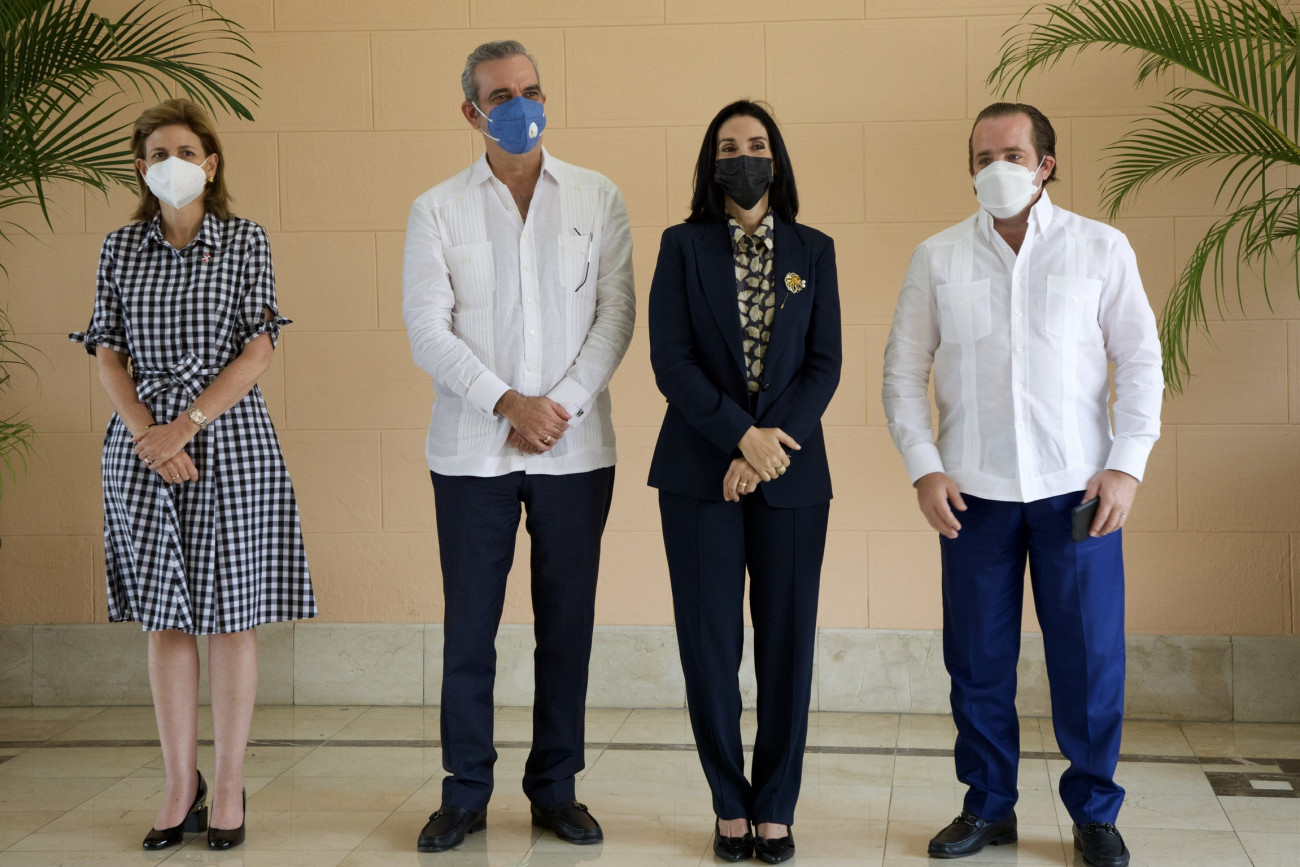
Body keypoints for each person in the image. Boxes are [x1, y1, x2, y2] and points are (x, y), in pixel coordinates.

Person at [882, 102, 1162, 867]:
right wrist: (924, 465)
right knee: (977, 662)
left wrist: (1127, 464)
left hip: (1079, 494)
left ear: (1046, 164)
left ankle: (1095, 814)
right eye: (982, 157)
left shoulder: (1100, 248)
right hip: (972, 496)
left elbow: (1141, 361)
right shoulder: (937, 256)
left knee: (1090, 660)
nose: (996, 169)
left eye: (1011, 154)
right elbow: (902, 371)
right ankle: (988, 805)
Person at [402, 40, 634, 853]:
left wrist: (555, 408)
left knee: (566, 623)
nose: (520, 105)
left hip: (575, 449)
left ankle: (555, 787)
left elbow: (616, 315)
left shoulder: (597, 196)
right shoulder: (437, 208)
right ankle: (465, 791)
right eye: (501, 95)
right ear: (471, 111)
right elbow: (427, 329)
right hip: (473, 452)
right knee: (470, 627)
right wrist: (506, 402)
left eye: (531, 89)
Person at [69, 98, 315, 852]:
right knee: (166, 617)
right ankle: (181, 783)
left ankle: (230, 783)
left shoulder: (244, 240)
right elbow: (108, 352)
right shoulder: (120, 247)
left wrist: (188, 424)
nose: (170, 163)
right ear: (139, 167)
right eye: (155, 153)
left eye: (184, 150)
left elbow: (258, 349)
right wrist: (151, 434)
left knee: (232, 617)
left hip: (229, 437)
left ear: (210, 163)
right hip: (142, 445)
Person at [647, 100, 841, 865]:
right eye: (729, 148)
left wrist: (765, 449)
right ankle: (730, 802)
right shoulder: (682, 246)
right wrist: (739, 436)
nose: (744, 158)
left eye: (756, 144)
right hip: (699, 473)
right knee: (710, 645)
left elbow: (824, 363)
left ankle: (776, 807)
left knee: (787, 644)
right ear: (711, 163)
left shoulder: (814, 249)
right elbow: (672, 362)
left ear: (777, 158)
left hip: (791, 474)